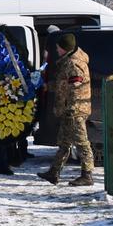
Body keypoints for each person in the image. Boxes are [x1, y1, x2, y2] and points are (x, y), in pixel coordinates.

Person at [37, 33, 94, 186]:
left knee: (82, 143)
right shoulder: (68, 61)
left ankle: (87, 175)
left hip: (75, 110)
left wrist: (71, 108)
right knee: (64, 142)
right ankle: (53, 173)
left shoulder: (74, 64)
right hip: (69, 110)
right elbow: (64, 84)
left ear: (64, 48)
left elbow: (76, 89)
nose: (56, 49)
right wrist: (48, 86)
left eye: (58, 47)